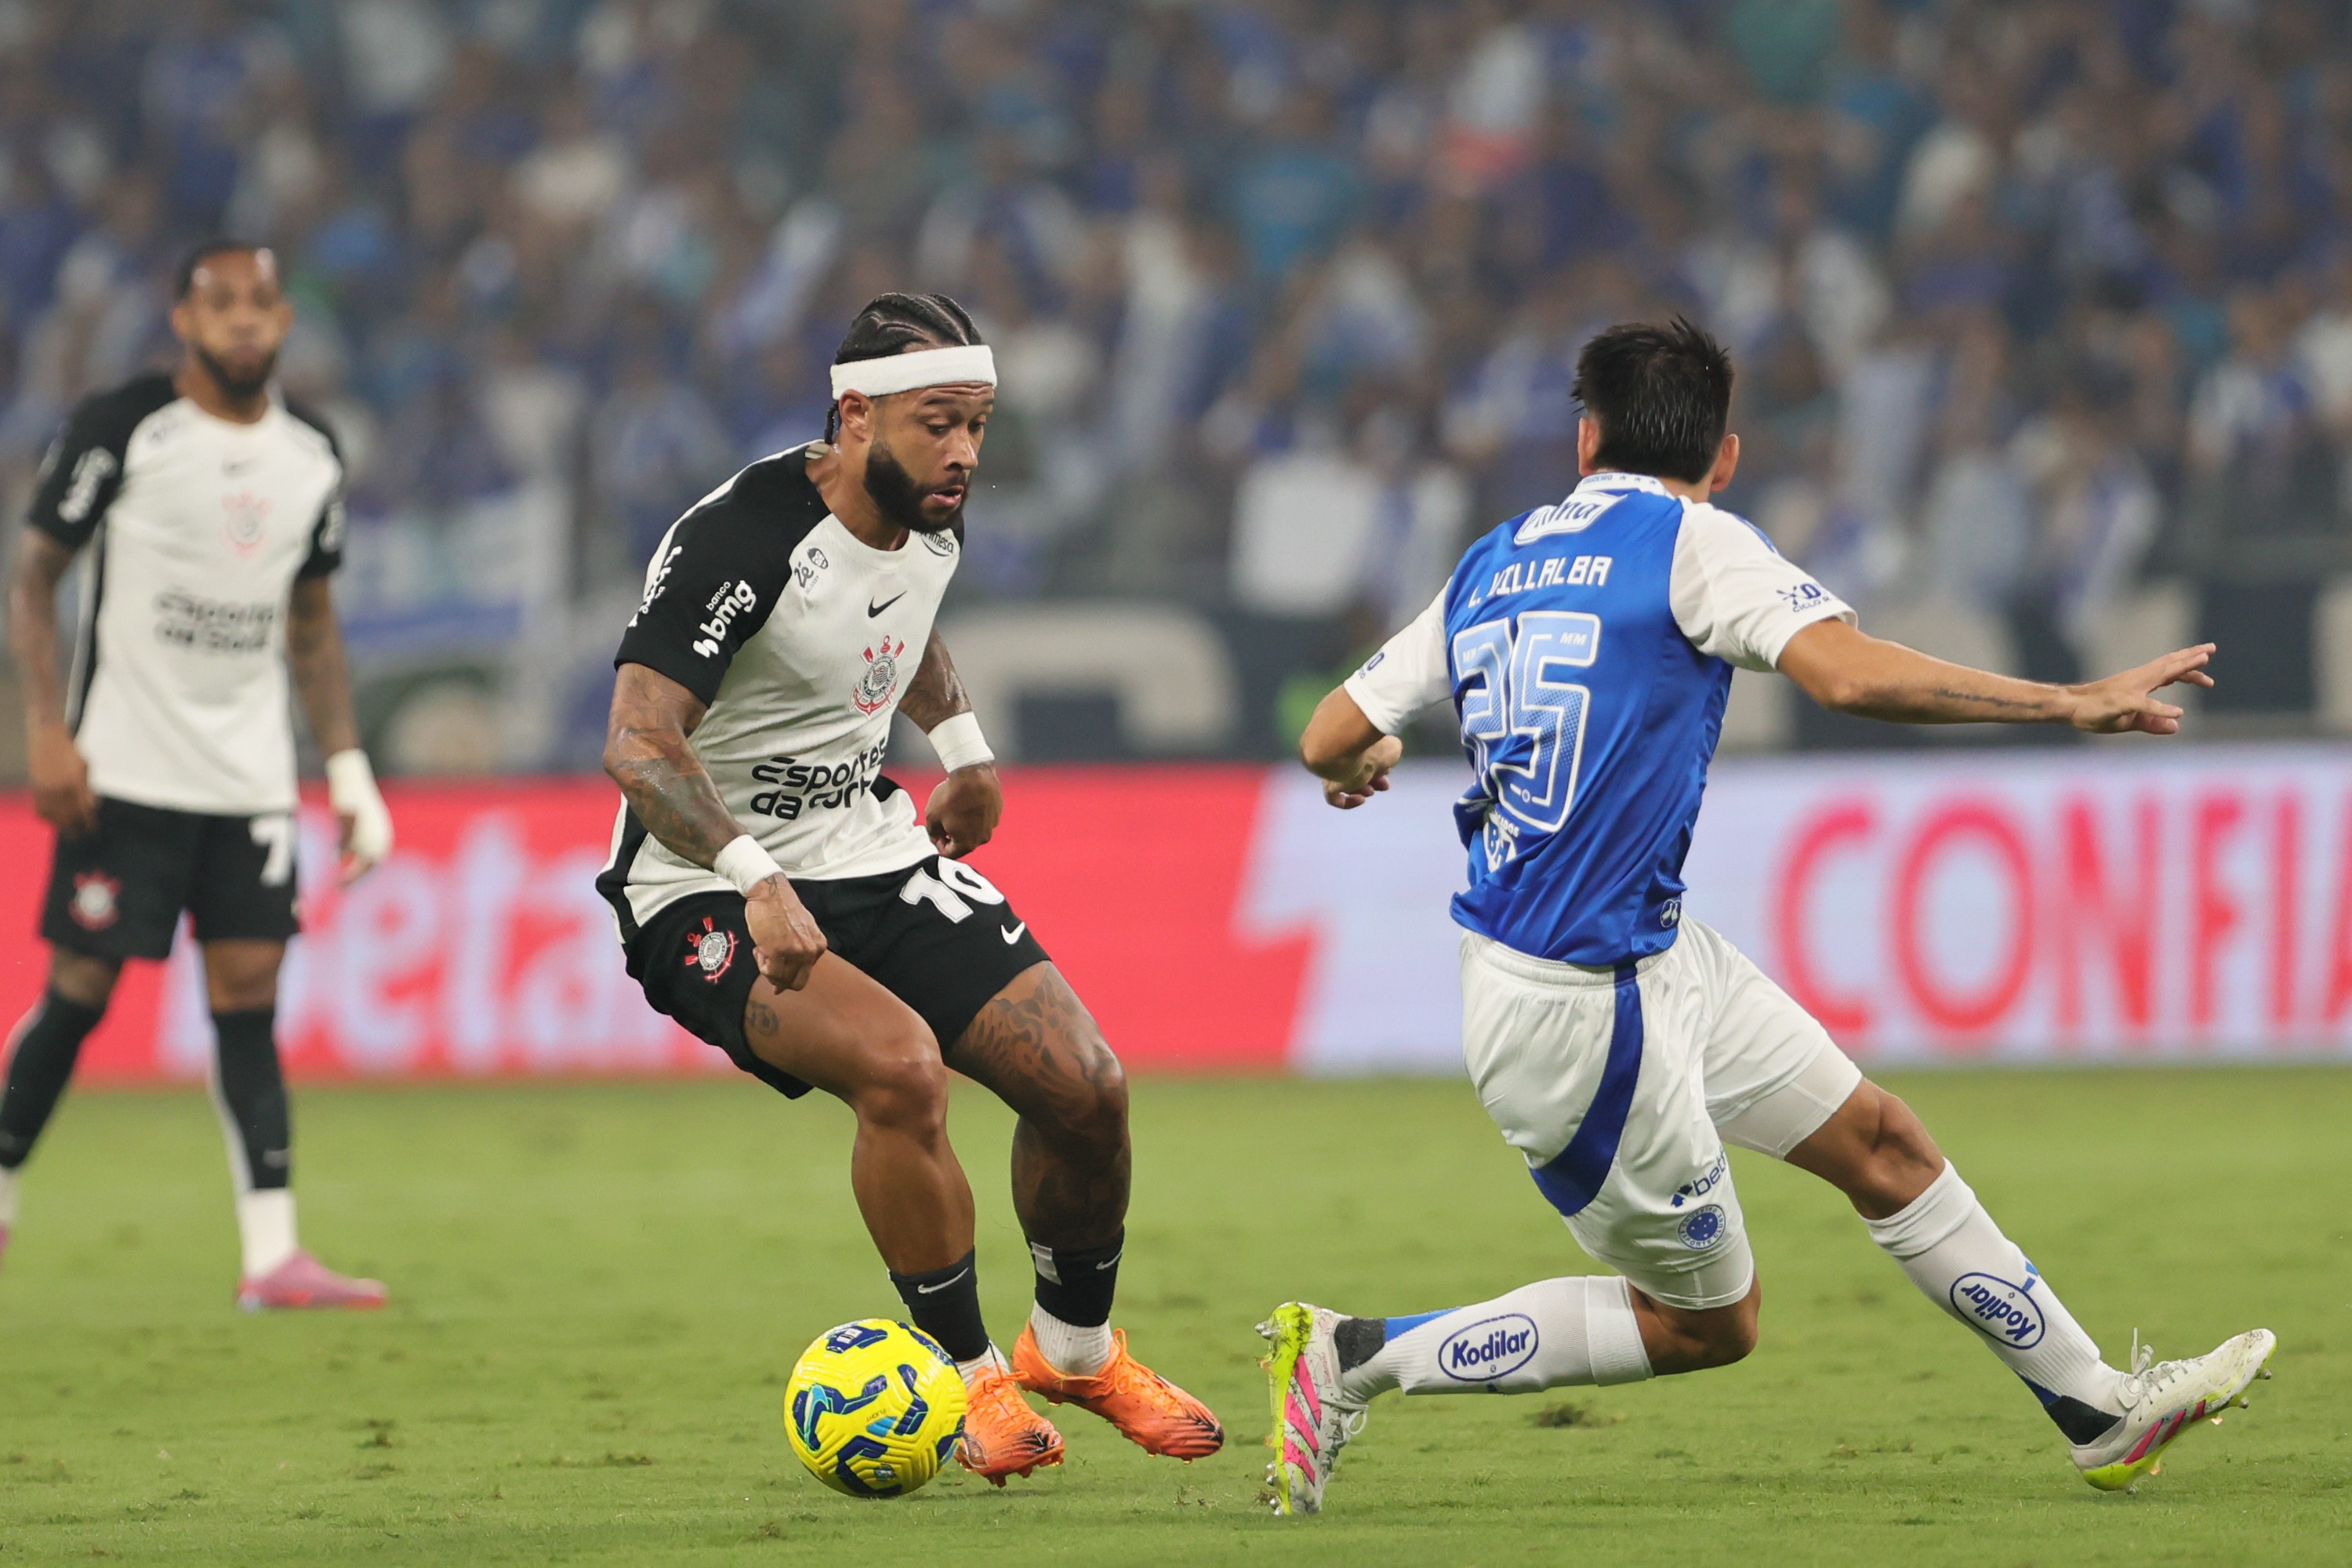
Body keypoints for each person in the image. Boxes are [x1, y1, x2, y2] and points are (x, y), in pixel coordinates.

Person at [1258, 318, 2272, 1515]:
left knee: (1883, 1147)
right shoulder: (1694, 544)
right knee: (1709, 1324)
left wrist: (1368, 751)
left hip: (1647, 951)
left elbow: (1327, 734)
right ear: (1724, 456)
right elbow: (1845, 673)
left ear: (1584, 438)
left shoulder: (1497, 557)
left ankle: (2095, 1408)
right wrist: (2067, 701)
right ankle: (1351, 1355)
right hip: (1584, 1010)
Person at [597, 292, 1222, 1484]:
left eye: (980, 425)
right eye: (940, 424)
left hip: (869, 848)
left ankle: (1075, 1355)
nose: (966, 455)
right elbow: (635, 743)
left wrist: (965, 745)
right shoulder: (741, 538)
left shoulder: (930, 517)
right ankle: (972, 1379)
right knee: (900, 1069)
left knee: (1086, 1088)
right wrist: (753, 878)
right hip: (702, 886)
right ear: (855, 415)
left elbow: (902, 627)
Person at [2, 241, 395, 1309]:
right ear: (181, 317)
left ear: (284, 321)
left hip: (249, 778)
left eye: (262, 302)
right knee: (80, 992)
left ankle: (273, 1256)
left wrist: (349, 771)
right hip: (120, 770)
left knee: (248, 999)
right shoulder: (124, 427)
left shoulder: (314, 452)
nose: (243, 320)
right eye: (220, 302)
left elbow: (310, 624)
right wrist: (47, 730)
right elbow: (35, 576)